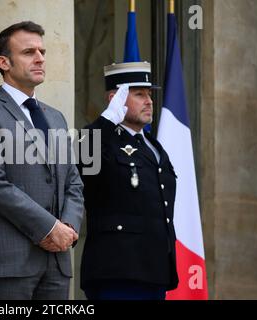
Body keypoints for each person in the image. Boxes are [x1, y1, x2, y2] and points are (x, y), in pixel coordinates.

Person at [0, 21, 84, 300]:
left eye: (42, 51)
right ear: (4, 62)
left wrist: (68, 228)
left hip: (57, 262)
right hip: (10, 260)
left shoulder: (55, 117)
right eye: (29, 52)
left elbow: (73, 181)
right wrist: (49, 228)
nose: (40, 58)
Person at [78, 62, 179, 300]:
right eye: (139, 94)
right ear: (115, 99)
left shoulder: (154, 146)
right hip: (117, 269)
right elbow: (83, 163)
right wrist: (106, 120)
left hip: (155, 270)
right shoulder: (99, 138)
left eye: (150, 95)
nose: (149, 101)